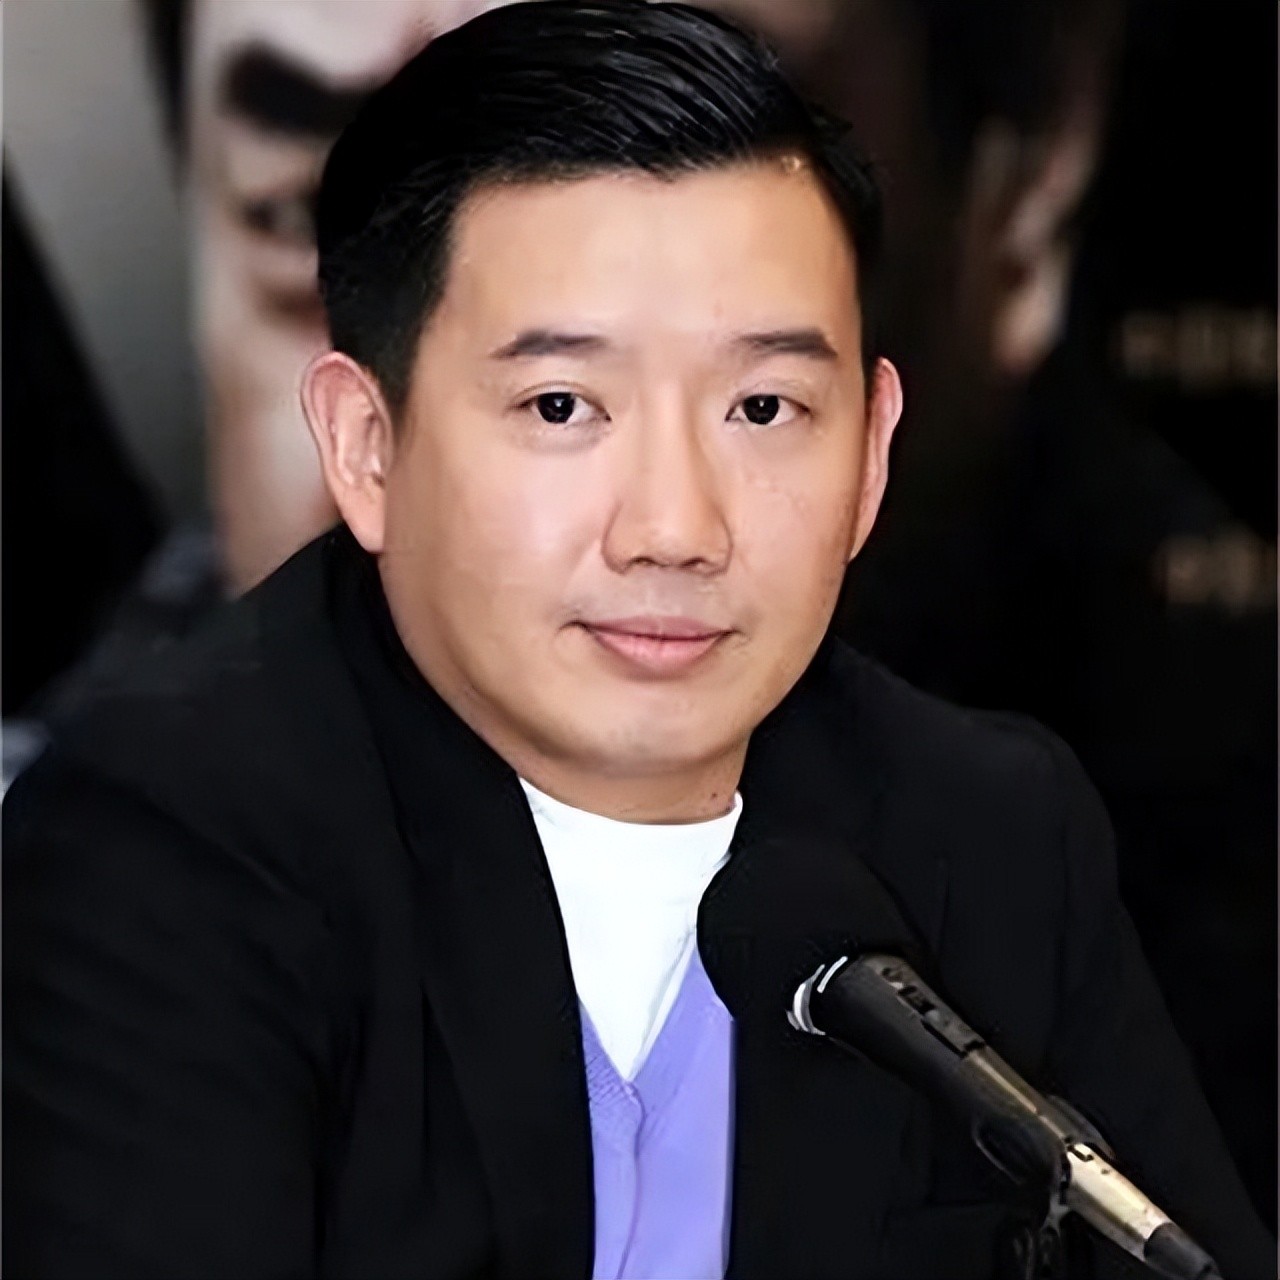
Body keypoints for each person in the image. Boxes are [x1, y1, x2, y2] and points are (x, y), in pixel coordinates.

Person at [5, 4, 1272, 1278]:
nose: (672, 528)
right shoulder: (159, 848)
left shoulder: (985, 828)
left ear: (869, 455)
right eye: (562, 405)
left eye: (762, 408)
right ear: (366, 446)